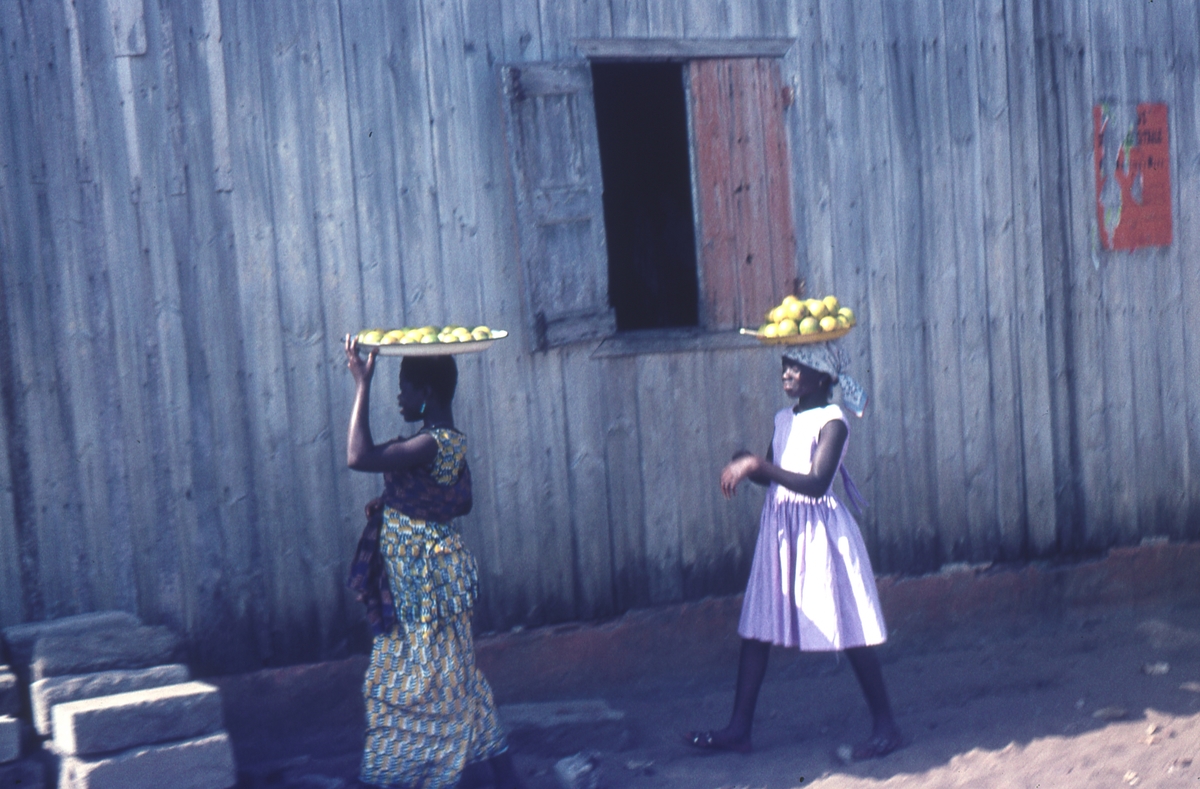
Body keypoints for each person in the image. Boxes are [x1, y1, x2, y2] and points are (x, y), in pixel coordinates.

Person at [684, 342, 903, 761]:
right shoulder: (784, 419)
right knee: (757, 627)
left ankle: (886, 726)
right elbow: (773, 476)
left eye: (796, 367)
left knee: (850, 627)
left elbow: (817, 483)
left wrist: (758, 465)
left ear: (822, 377)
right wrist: (747, 463)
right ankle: (739, 730)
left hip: (821, 534)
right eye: (785, 365)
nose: (786, 373)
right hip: (781, 532)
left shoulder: (833, 421)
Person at [343, 334, 523, 789]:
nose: (399, 397)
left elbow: (358, 456)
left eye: (404, 388)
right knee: (451, 676)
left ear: (426, 393)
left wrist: (362, 385)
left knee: (415, 681)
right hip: (430, 580)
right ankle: (507, 779)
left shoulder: (433, 443)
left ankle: (398, 772)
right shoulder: (445, 442)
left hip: (427, 587)